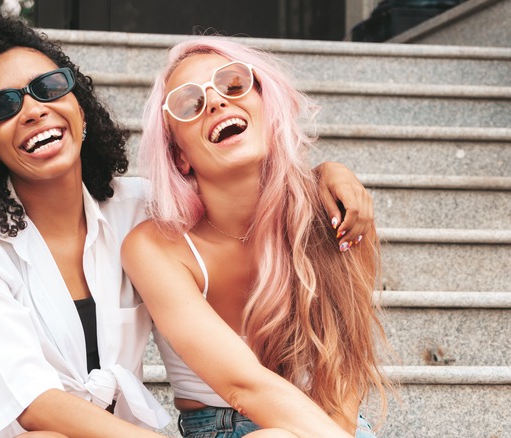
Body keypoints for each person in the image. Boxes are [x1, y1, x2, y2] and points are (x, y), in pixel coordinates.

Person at [0, 11, 376, 438]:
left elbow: (239, 181)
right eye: (3, 106)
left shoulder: (138, 207)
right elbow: (35, 404)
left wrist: (325, 175)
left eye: (47, 87)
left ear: (79, 108)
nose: (34, 110)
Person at [122, 38, 390, 438]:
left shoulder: (333, 210)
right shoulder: (156, 247)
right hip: (222, 425)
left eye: (233, 84)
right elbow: (242, 385)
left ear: (267, 106)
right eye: (189, 103)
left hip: (327, 421)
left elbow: (343, 369)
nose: (215, 103)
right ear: (179, 155)